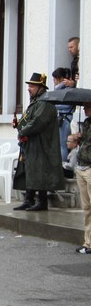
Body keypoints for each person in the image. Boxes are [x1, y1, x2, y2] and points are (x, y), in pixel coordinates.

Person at [12, 73, 64, 211]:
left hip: (42, 145)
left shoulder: (45, 103)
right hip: (31, 144)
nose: (29, 89)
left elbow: (37, 122)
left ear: (41, 87)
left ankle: (42, 201)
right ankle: (29, 199)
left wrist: (23, 132)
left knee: (40, 172)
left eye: (32, 86)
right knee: (30, 171)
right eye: (29, 86)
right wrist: (19, 125)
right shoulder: (35, 102)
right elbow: (28, 119)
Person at [73, 102, 91, 254]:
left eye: (87, 107)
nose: (84, 109)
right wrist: (78, 138)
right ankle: (88, 242)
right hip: (81, 166)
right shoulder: (86, 123)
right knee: (86, 208)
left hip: (90, 167)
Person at [52, 68, 74, 162]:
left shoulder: (68, 90)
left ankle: (63, 164)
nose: (54, 81)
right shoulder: (60, 89)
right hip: (62, 118)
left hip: (65, 119)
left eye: (55, 79)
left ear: (61, 78)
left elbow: (68, 105)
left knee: (63, 145)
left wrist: (55, 105)